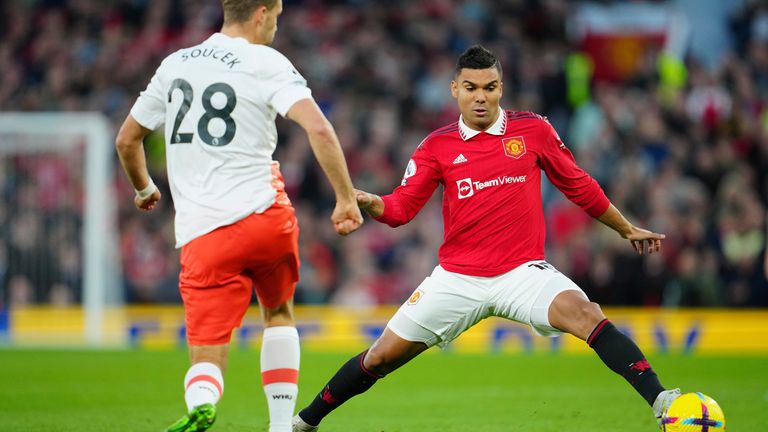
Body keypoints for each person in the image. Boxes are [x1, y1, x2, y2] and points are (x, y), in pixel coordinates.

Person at [292, 45, 680, 431]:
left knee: (587, 313)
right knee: (378, 359)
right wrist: (373, 202)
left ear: (501, 88)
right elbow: (402, 209)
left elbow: (578, 185)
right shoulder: (436, 146)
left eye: (490, 87)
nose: (481, 96)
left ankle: (662, 401)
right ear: (454, 90)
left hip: (522, 272)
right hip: (457, 278)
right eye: (471, 87)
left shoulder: (533, 130)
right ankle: (304, 423)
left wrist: (624, 226)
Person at [115, 1, 363, 431]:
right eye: (278, 19)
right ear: (262, 13)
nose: (276, 29)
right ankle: (281, 426)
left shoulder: (174, 65)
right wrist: (344, 197)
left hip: (204, 234)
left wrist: (145, 188)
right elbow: (319, 128)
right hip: (266, 217)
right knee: (279, 312)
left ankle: (203, 401)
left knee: (208, 351)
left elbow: (126, 140)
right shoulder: (266, 62)